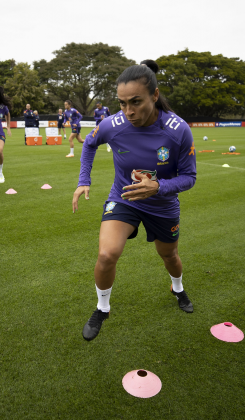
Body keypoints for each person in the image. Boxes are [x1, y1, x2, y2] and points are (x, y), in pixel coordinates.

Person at [72, 60, 197, 341]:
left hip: (163, 205)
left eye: (136, 102)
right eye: (122, 103)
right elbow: (89, 145)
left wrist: (159, 187)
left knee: (170, 256)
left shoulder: (178, 131)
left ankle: (177, 287)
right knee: (106, 255)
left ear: (154, 95)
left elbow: (189, 177)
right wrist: (84, 179)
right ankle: (102, 308)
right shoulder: (112, 124)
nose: (128, 111)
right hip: (124, 199)